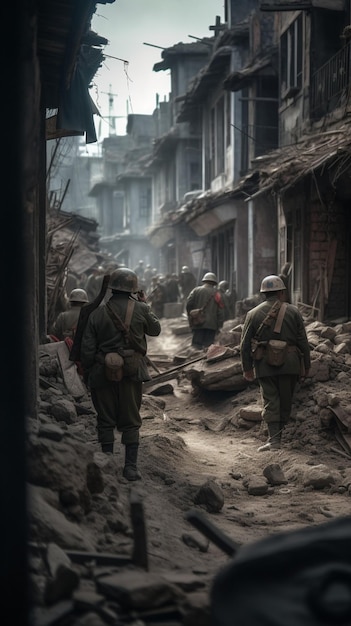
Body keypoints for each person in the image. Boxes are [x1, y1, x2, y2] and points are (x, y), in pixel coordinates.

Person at [80, 267, 161, 480]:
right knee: (131, 419)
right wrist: (145, 305)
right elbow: (155, 330)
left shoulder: (97, 313)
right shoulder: (142, 309)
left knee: (105, 419)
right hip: (132, 372)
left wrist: (89, 371)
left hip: (102, 371)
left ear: (111, 288)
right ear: (134, 289)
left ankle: (107, 465)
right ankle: (131, 468)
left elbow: (87, 349)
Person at [240, 274, 311, 452]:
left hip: (265, 365)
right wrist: (307, 365)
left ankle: (274, 441)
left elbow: (244, 345)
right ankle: (281, 438)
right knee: (286, 400)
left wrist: (247, 368)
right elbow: (303, 341)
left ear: (263, 293)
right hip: (290, 363)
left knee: (270, 400)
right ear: (281, 292)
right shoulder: (294, 311)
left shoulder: (252, 314)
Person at [186, 272, 225, 350]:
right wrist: (219, 324)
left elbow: (188, 304)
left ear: (204, 281)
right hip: (212, 325)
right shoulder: (217, 294)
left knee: (196, 347)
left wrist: (192, 316)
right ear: (214, 282)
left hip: (198, 323)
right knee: (208, 348)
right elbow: (220, 311)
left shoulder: (196, 290)